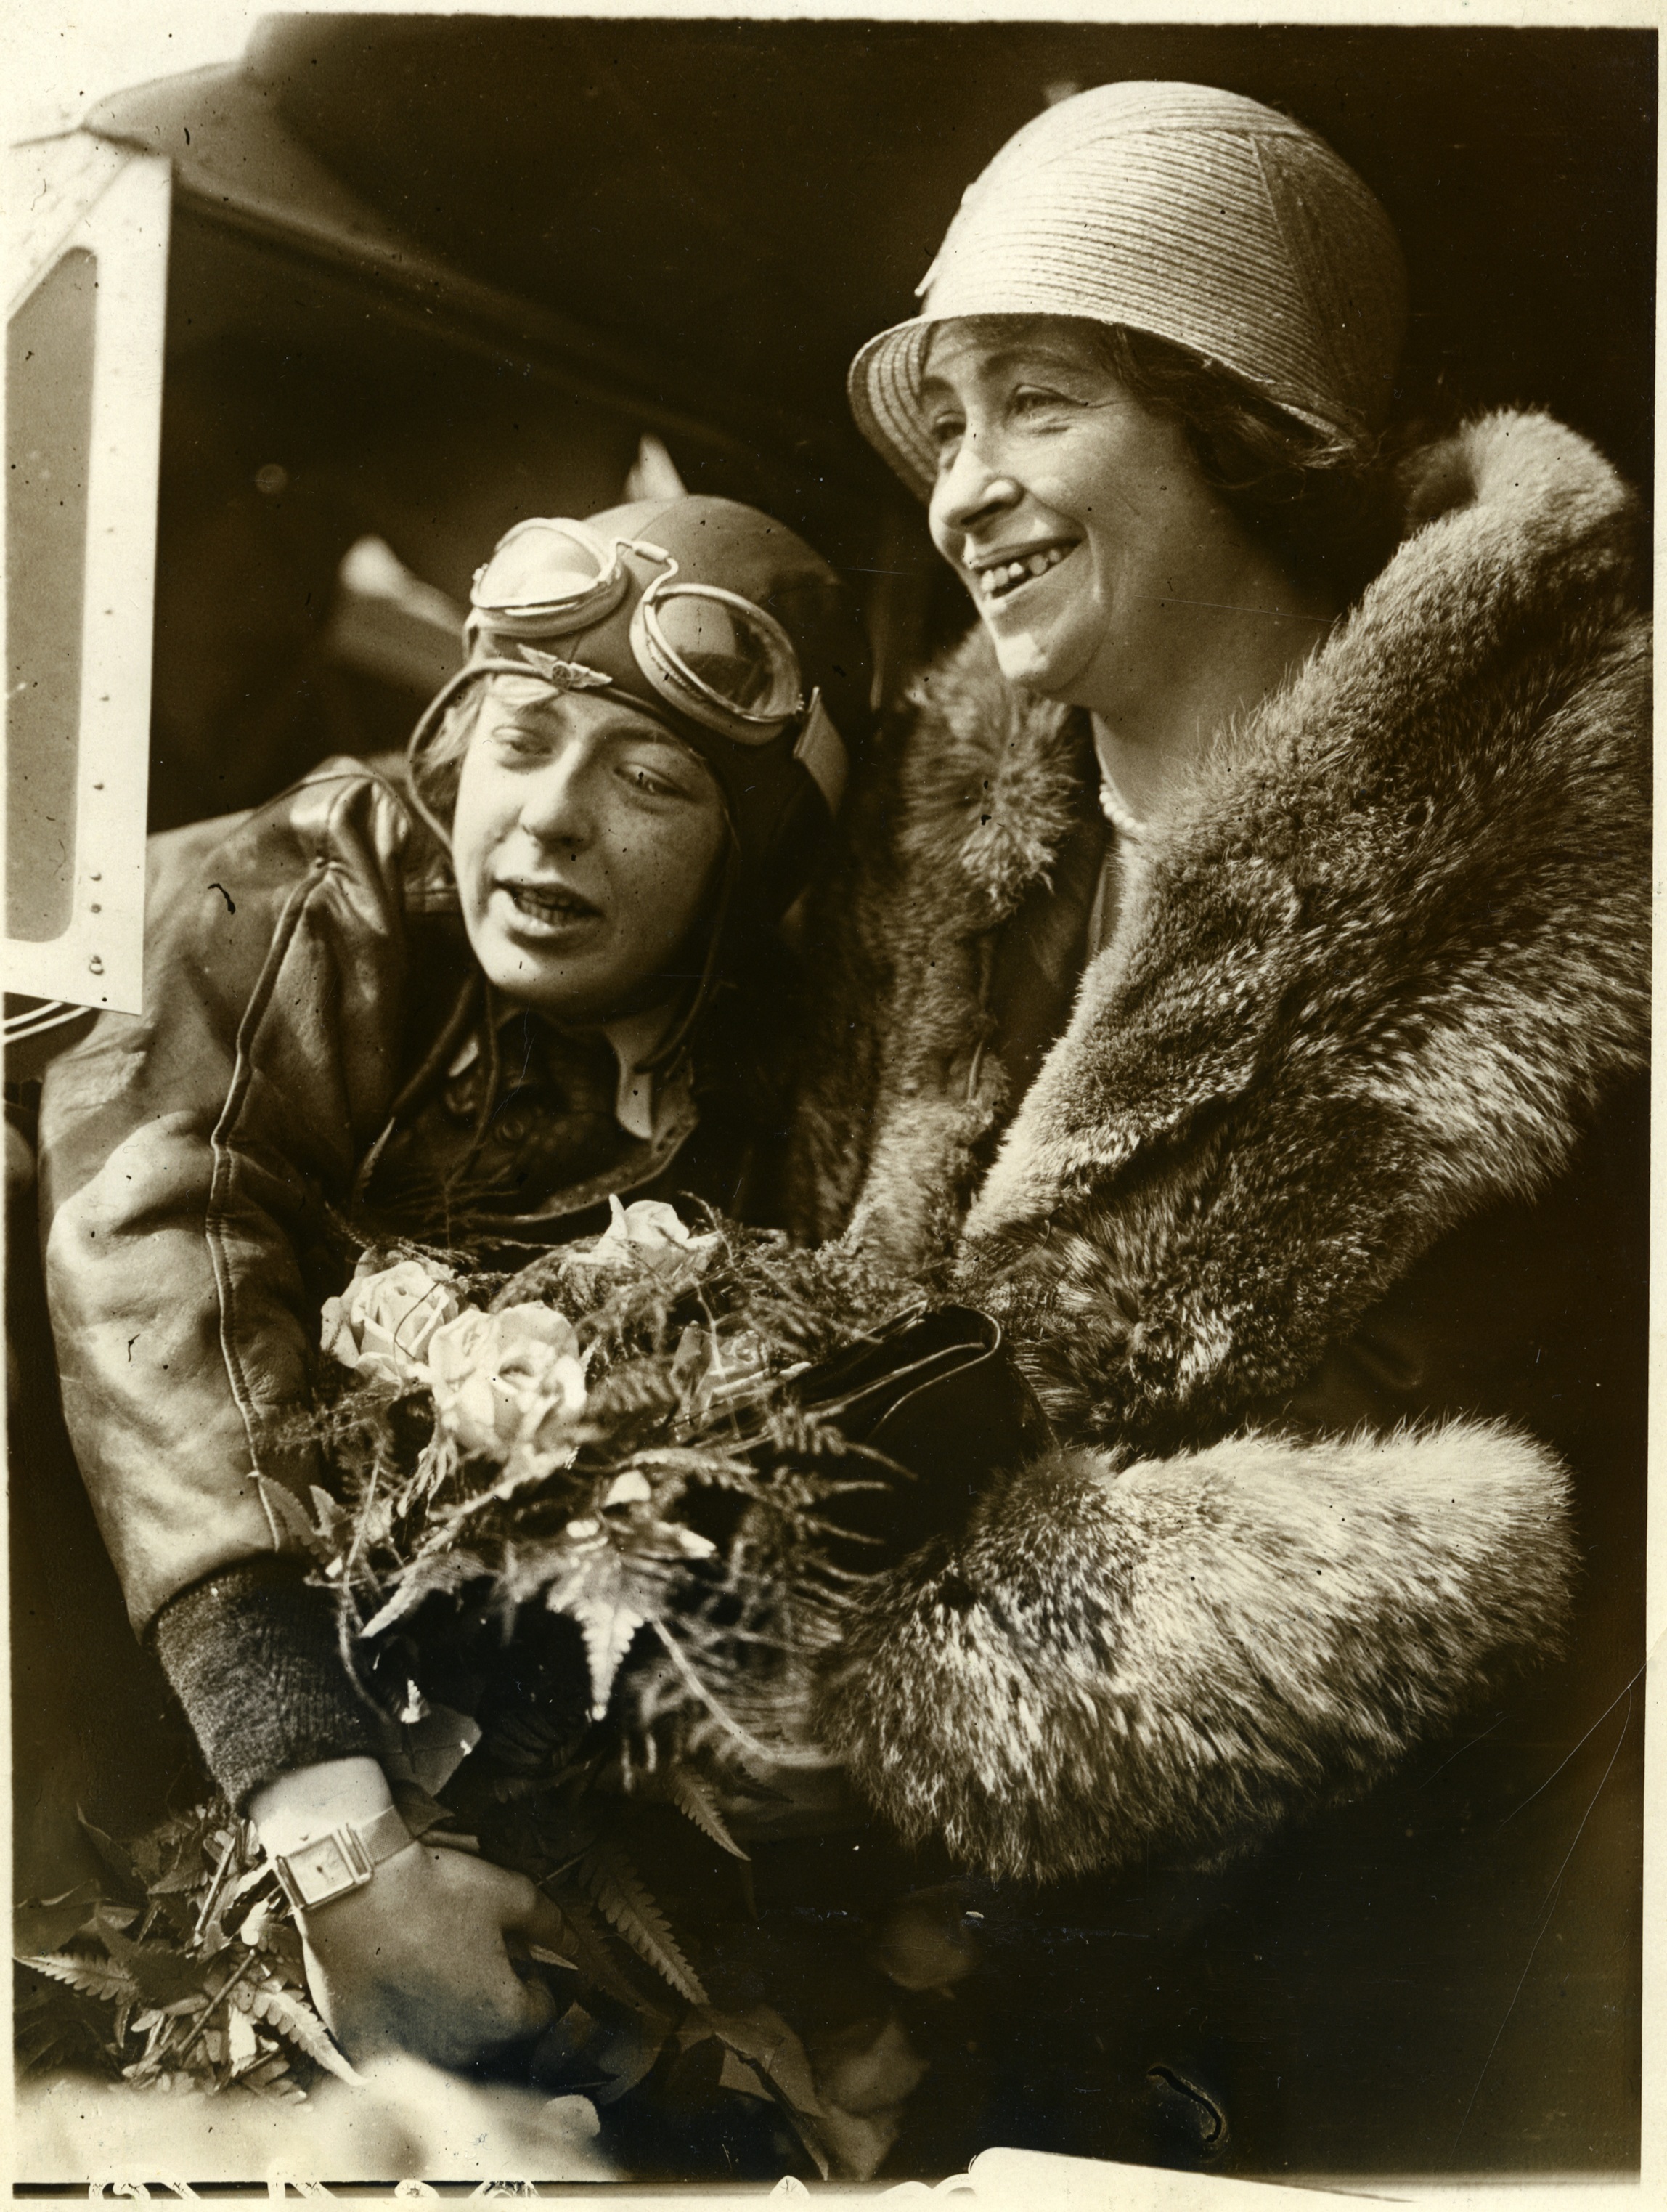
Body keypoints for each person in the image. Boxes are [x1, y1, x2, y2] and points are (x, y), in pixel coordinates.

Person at [785, 84, 1650, 2175]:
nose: (965, 491)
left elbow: (1495, 1495)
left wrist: (885, 1599)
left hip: (1438, 1954)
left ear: (1239, 424)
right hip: (997, 1985)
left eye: (1039, 405)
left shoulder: (1570, 861)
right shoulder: (949, 886)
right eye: (950, 422)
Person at [30, 493, 871, 2069]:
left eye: (653, 780)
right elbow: (158, 1261)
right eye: (521, 737)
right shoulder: (293, 886)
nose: (551, 817)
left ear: (747, 869)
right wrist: (341, 1848)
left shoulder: (741, 1081)